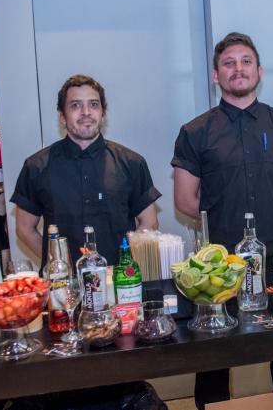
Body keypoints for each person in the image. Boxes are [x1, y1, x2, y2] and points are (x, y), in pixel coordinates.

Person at [172, 32, 273, 410]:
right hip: (219, 268)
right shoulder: (195, 132)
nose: (238, 69)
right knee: (214, 353)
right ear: (216, 75)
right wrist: (222, 230)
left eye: (245, 61)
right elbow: (186, 200)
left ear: (259, 71)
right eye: (229, 63)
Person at [12, 74, 161, 266]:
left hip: (119, 278)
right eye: (75, 105)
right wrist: (58, 263)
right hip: (63, 281)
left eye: (94, 104)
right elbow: (24, 229)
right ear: (62, 117)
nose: (86, 112)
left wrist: (126, 265)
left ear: (103, 114)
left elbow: (149, 223)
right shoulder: (36, 166)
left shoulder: (132, 163)